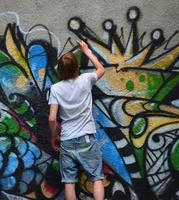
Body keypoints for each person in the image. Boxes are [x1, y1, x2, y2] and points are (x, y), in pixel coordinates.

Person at [48, 40, 105, 200]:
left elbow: (52, 118)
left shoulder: (55, 88)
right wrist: (86, 51)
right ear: (77, 67)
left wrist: (54, 136)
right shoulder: (86, 80)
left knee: (69, 182)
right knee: (97, 178)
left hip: (66, 139)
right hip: (86, 138)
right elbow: (101, 69)